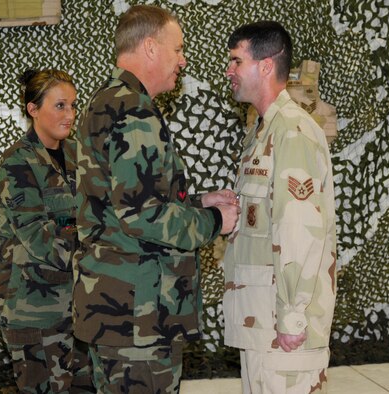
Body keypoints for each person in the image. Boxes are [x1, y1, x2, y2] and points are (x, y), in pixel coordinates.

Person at [73, 5, 240, 393]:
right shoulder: (134, 112)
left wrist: (198, 202)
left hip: (116, 306)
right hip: (139, 318)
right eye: (178, 49)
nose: (183, 60)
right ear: (150, 47)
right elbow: (143, 216)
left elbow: (121, 202)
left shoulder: (109, 101)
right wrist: (215, 222)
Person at [222, 22, 337, 393]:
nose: (229, 70)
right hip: (262, 324)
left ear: (266, 66)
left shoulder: (292, 131)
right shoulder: (261, 130)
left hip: (283, 329)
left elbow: (301, 228)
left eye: (236, 61)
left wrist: (292, 316)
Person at [0, 69, 95, 393]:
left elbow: (110, 208)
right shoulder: (16, 164)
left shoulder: (80, 155)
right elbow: (38, 235)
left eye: (73, 105)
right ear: (32, 109)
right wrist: (92, 239)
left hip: (79, 309)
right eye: (60, 106)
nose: (70, 115)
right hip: (35, 313)